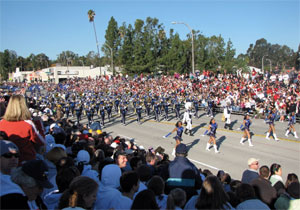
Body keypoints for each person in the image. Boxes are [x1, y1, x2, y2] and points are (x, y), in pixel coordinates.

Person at [0, 95, 45, 164]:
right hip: (25, 163)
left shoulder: (1, 123)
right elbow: (41, 141)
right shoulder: (28, 124)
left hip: (5, 163)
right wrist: (39, 124)